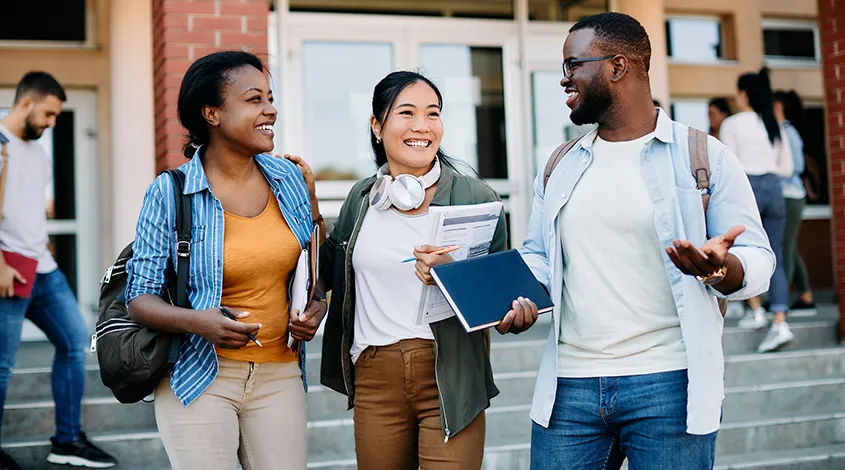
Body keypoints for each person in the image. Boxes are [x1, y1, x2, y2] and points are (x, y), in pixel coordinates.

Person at [520, 13, 775, 469]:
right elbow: (538, 257)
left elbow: (757, 259)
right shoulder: (560, 164)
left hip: (668, 384)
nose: (564, 80)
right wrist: (516, 298)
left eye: (572, 65)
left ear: (618, 66)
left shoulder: (704, 156)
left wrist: (719, 268)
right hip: (569, 388)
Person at [316, 71, 538, 470]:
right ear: (376, 126)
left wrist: (454, 275)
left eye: (432, 113)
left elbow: (500, 302)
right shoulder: (361, 199)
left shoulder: (476, 197)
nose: (422, 126)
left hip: (450, 377)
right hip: (374, 375)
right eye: (407, 112)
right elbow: (327, 273)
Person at [125, 51, 324, 470]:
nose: (271, 109)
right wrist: (200, 321)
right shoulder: (170, 192)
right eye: (254, 100)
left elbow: (311, 271)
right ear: (212, 113)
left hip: (279, 373)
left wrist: (316, 306)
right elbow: (138, 299)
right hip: (200, 375)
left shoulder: (287, 178)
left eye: (270, 98)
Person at [0, 72, 118, 470]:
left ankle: (66, 441)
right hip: (7, 269)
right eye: (48, 114)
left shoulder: (38, 153)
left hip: (43, 270)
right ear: (26, 103)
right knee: (1, 365)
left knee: (75, 341)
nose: (53, 123)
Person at [720, 69, 795, 352]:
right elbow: (787, 168)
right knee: (774, 252)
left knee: (743, 249)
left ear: (744, 94)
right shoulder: (773, 125)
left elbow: (727, 165)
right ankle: (779, 322)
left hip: (746, 186)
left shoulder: (733, 123)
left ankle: (756, 311)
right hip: (774, 187)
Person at [772, 90, 816, 313]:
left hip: (791, 195)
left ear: (779, 107)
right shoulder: (781, 130)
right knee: (789, 246)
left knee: (784, 246)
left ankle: (780, 299)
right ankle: (806, 295)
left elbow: (796, 166)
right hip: (786, 195)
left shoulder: (788, 132)